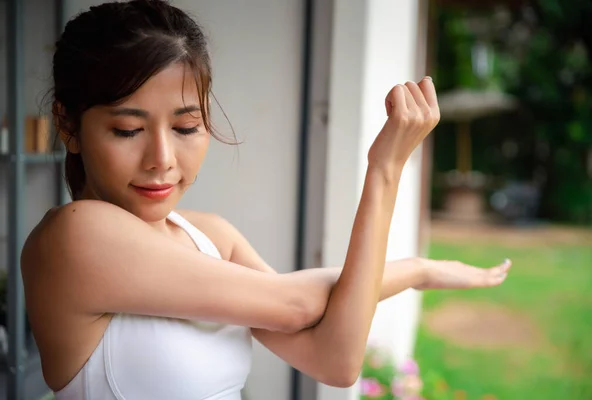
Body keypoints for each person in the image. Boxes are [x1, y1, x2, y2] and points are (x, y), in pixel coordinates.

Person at [20, 1, 512, 399]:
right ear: (69, 126)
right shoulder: (75, 235)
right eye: (128, 130)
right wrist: (410, 257)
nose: (162, 159)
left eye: (187, 126)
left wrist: (389, 184)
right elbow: (297, 304)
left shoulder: (211, 236)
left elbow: (333, 358)